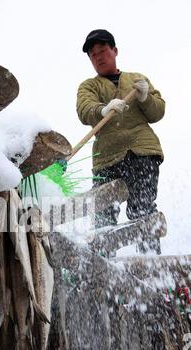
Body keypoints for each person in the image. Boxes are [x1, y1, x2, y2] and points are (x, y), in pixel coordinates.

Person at [76, 29, 165, 254]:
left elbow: (158, 112)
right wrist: (101, 109)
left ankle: (151, 265)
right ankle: (104, 270)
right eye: (93, 54)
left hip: (142, 152)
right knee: (103, 219)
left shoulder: (137, 80)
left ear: (115, 51)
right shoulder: (89, 86)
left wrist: (145, 98)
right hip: (106, 160)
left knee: (142, 210)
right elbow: (84, 109)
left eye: (103, 50)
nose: (98, 56)